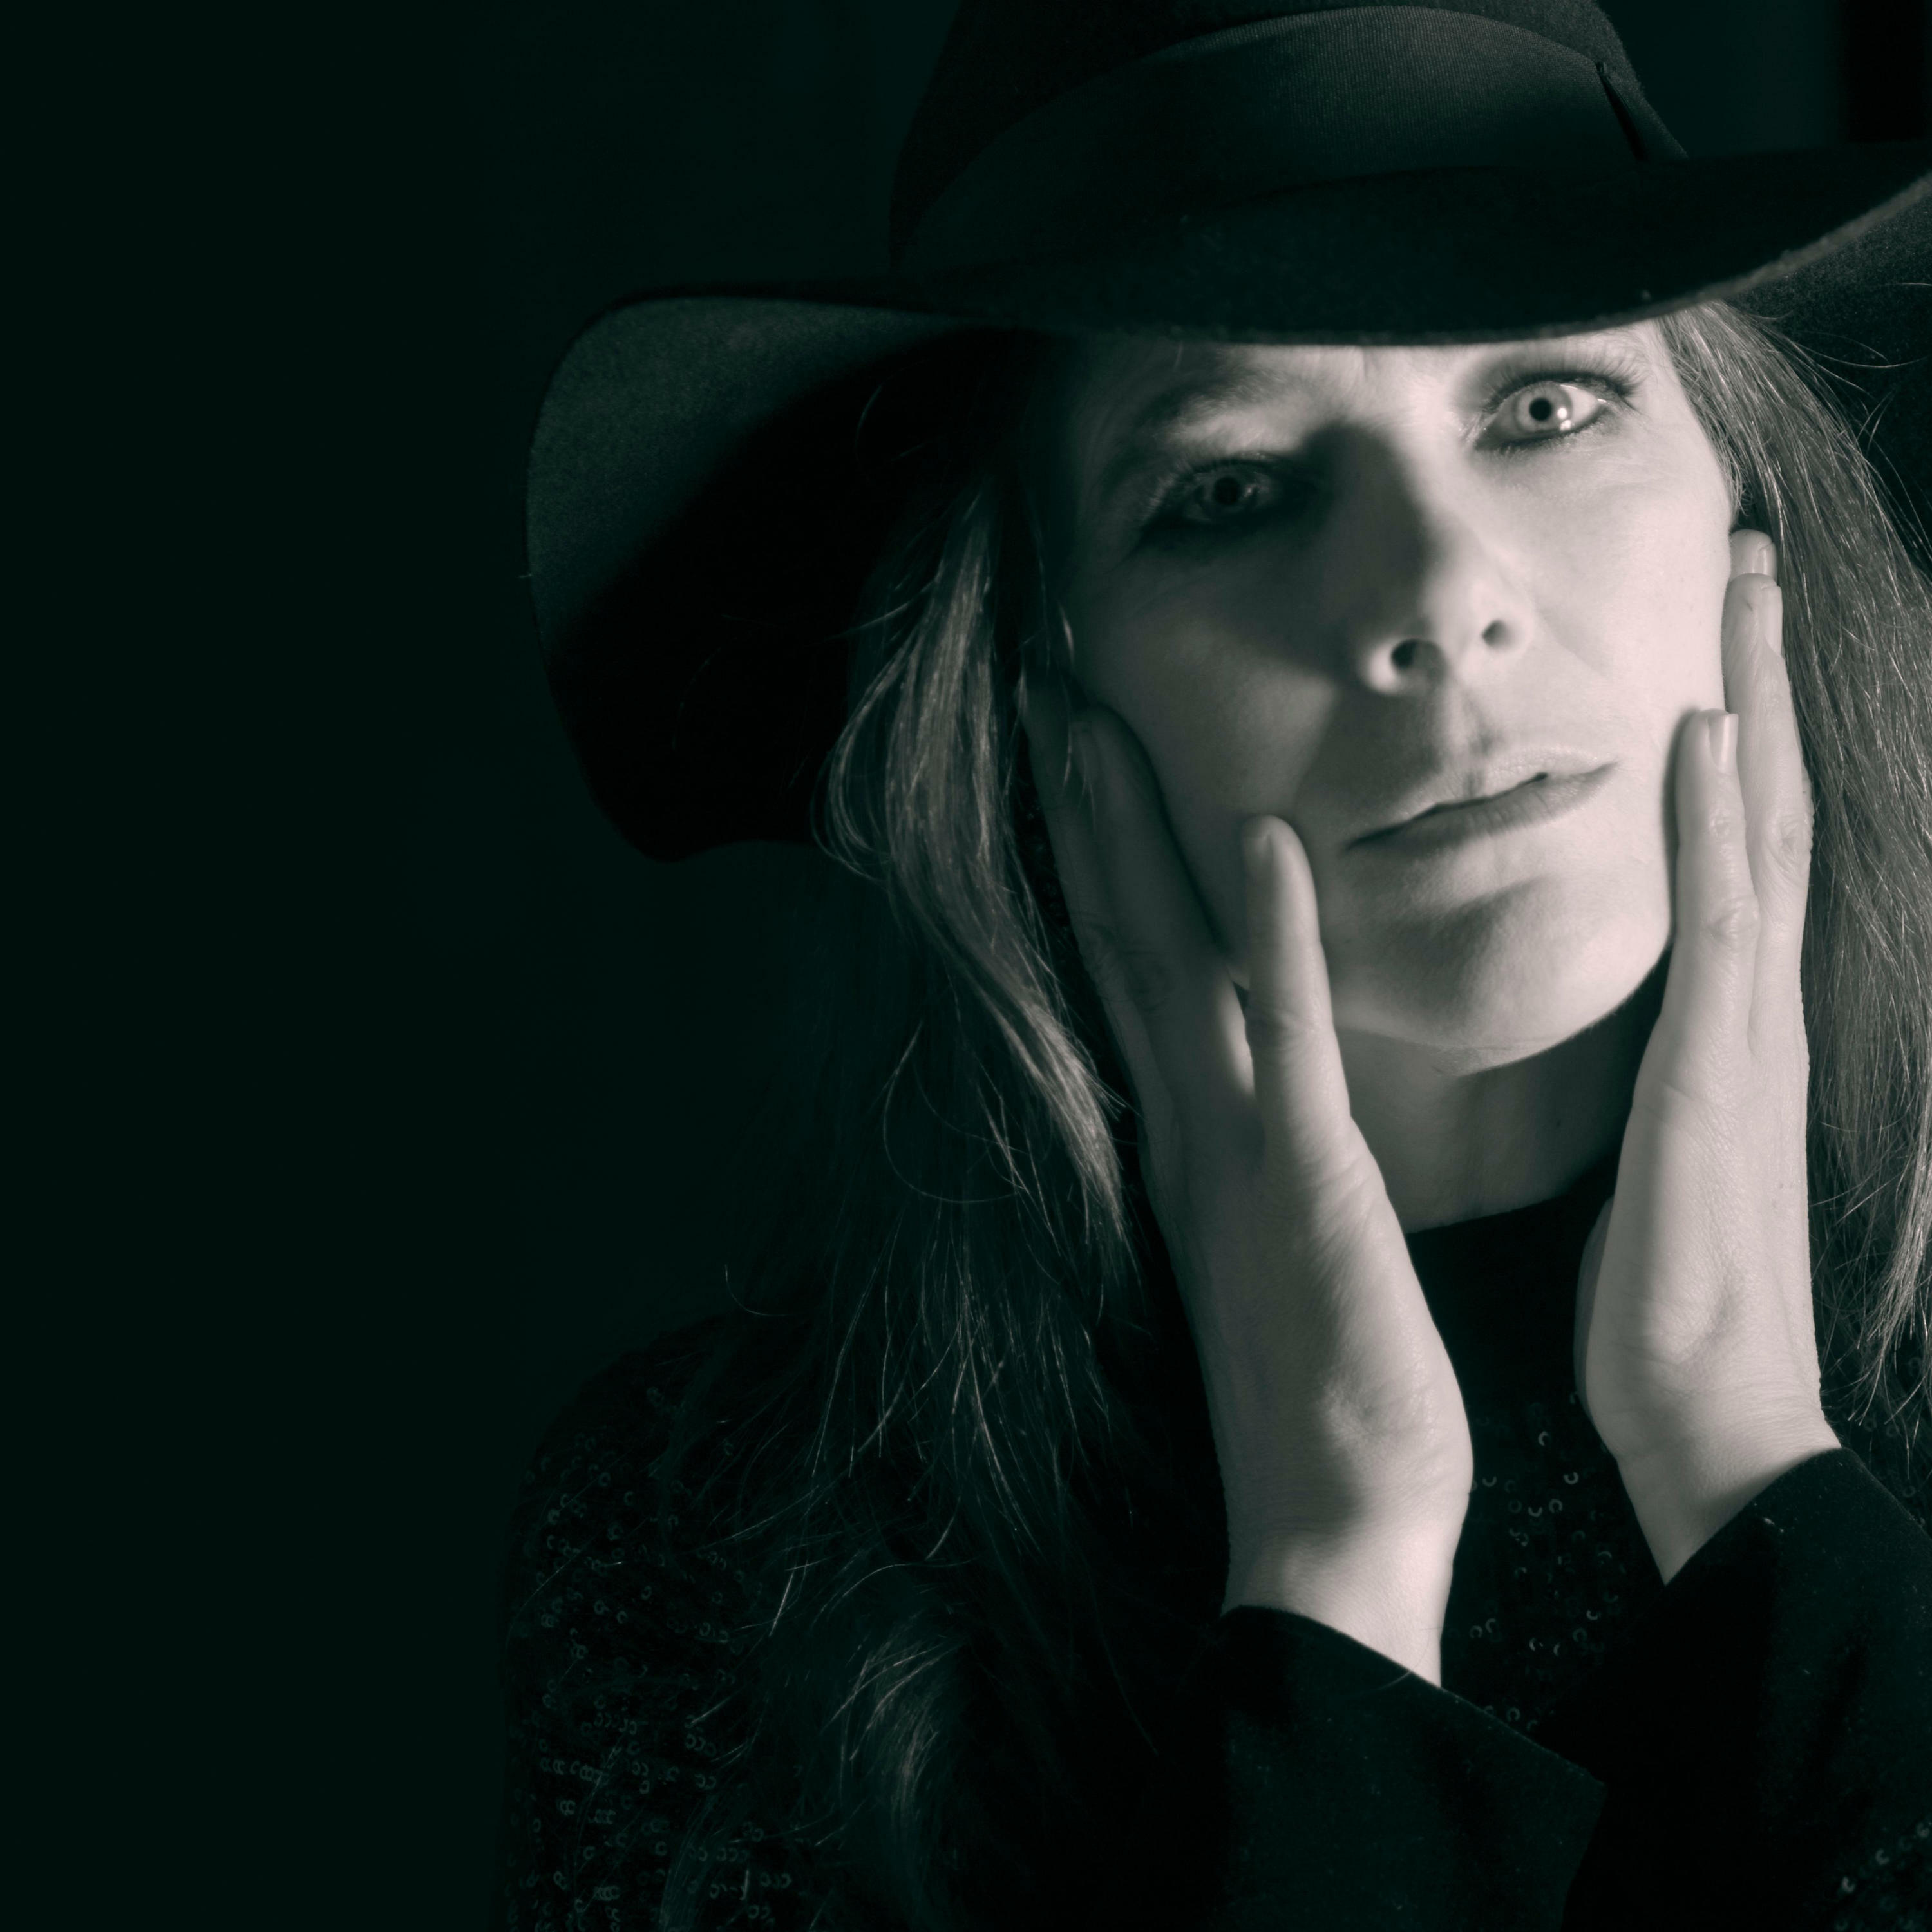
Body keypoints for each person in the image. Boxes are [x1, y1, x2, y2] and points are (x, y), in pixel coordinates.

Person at [495, 3, 1932, 1926]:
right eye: (1231, 490)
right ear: (1040, 684)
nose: (1440, 597)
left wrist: (1745, 1467)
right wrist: (1337, 1574)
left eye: (1545, 407)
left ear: (1746, 507)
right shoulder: (725, 1560)